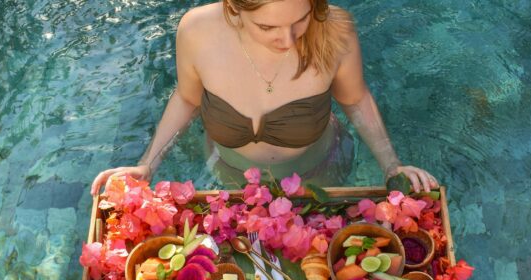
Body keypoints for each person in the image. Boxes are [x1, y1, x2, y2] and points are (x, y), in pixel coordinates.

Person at [90, 0, 439, 195]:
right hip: (228, 172)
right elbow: (187, 99)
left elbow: (356, 100)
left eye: (299, 21)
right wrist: (148, 164)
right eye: (267, 28)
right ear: (234, 8)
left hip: (320, 172)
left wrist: (392, 165)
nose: (287, 40)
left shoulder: (335, 30)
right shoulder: (196, 30)